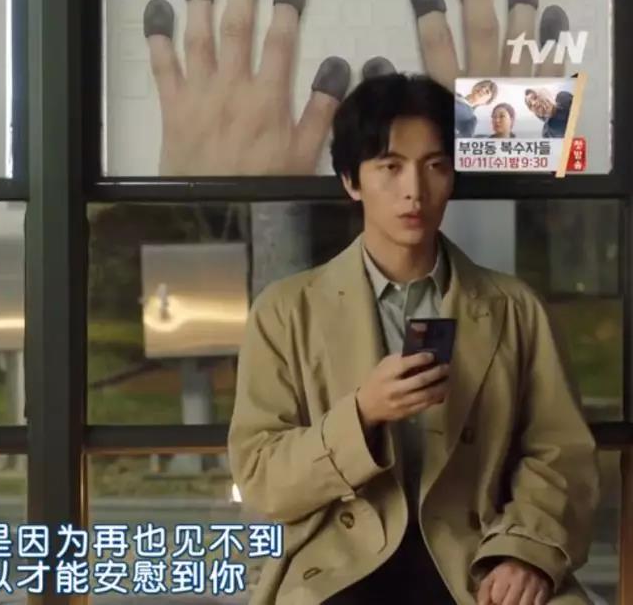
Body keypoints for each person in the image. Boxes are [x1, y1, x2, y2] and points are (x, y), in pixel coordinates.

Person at [228, 74, 599, 605]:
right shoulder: (286, 311)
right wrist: (362, 414)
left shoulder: (515, 308)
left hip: (478, 554)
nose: (415, 191)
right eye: (390, 166)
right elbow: (262, 478)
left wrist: (524, 551)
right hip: (336, 562)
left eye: (435, 166)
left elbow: (560, 454)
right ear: (351, 181)